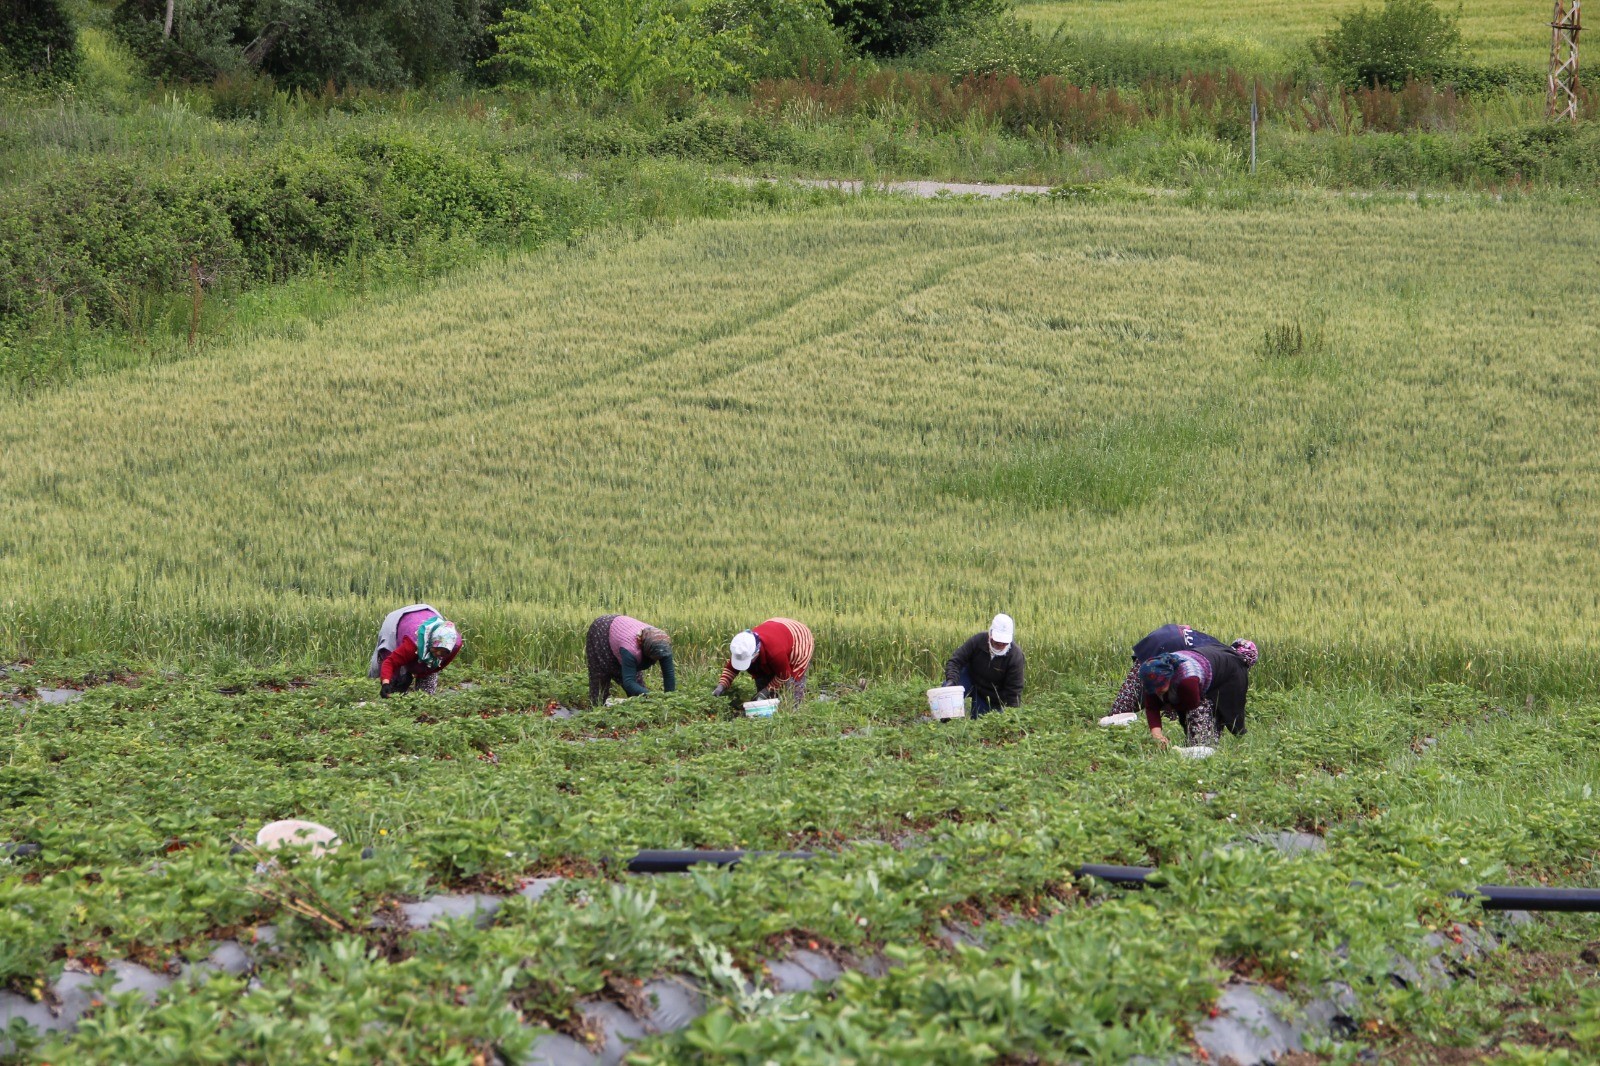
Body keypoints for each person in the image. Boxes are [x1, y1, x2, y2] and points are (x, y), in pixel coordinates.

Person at [1139, 639, 1258, 747]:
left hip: (1229, 672)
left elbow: (1192, 704)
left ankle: (1207, 745)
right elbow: (1152, 707)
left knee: (1206, 714)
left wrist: (1170, 706)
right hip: (1207, 659)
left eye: (1159, 686)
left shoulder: (1187, 680)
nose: (1156, 690)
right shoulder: (1152, 675)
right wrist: (1157, 736)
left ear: (1169, 677)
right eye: (1152, 688)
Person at [1107, 624, 1227, 720]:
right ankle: (1169, 722)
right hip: (1172, 645)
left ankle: (1115, 717)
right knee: (1171, 692)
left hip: (1163, 636)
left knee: (1136, 688)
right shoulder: (1224, 657)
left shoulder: (1218, 647)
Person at [368, 603, 463, 697]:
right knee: (395, 685)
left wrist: (423, 672)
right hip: (398, 623)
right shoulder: (412, 644)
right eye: (437, 648)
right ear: (431, 641)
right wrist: (386, 684)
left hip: (428, 614)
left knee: (426, 695)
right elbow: (390, 662)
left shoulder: (454, 645)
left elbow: (439, 665)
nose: (438, 653)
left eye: (443, 651)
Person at [942, 613, 1024, 718]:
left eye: (1004, 643)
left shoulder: (1015, 656)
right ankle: (944, 721)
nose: (1000, 645)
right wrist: (951, 681)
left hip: (992, 694)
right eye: (997, 641)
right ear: (990, 634)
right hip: (970, 679)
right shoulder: (978, 640)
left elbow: (1014, 690)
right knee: (948, 694)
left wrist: (1013, 717)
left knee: (980, 726)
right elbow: (955, 661)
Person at [713, 618, 814, 702]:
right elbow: (731, 669)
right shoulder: (741, 648)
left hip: (799, 637)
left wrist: (765, 691)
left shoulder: (775, 653)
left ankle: (793, 714)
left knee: (791, 688)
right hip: (776, 629)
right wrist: (721, 686)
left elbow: (784, 676)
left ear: (756, 652)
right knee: (762, 683)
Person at [586, 614, 676, 705]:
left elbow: (669, 673)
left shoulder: (662, 644)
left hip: (622, 631)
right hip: (602, 634)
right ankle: (595, 711)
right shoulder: (632, 650)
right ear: (645, 650)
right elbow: (629, 682)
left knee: (640, 697)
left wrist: (669, 700)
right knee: (600, 683)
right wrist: (653, 696)